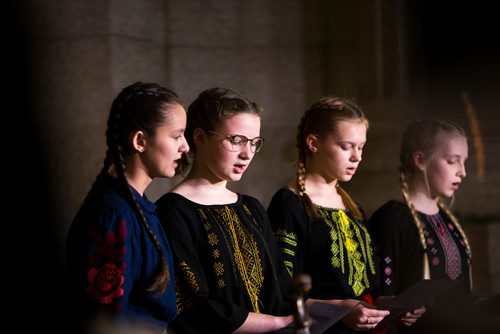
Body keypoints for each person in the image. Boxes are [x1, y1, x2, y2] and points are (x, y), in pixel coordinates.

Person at [155, 87, 300, 333]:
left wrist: (341, 307)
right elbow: (192, 305)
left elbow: (282, 287)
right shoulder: (173, 210)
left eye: (254, 143)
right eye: (236, 140)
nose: (247, 153)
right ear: (199, 138)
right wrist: (277, 323)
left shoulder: (252, 207)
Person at [267, 96, 412, 333]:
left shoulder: (352, 206)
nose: (357, 157)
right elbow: (282, 291)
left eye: (361, 147)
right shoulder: (290, 205)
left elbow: (368, 288)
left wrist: (389, 305)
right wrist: (340, 309)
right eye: (346, 146)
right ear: (313, 143)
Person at [66, 82, 189, 334]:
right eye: (177, 136)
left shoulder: (136, 206)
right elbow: (105, 319)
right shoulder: (114, 215)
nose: (185, 146)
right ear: (140, 140)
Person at [369, 118, 498, 333]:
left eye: (464, 162)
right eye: (452, 161)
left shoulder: (450, 221)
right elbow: (380, 299)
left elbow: (461, 303)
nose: (462, 172)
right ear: (420, 160)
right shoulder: (392, 219)